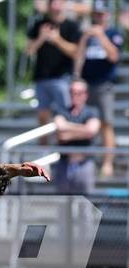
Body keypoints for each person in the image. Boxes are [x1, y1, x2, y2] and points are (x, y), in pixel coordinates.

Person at [77, 0, 124, 178]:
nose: (99, 17)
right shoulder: (87, 35)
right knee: (83, 121)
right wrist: (84, 38)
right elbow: (78, 57)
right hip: (86, 84)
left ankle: (107, 163)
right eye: (96, 14)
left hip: (104, 84)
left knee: (106, 123)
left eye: (102, 14)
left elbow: (114, 56)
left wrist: (101, 36)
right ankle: (83, 159)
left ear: (108, 15)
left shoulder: (113, 33)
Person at [27, 0, 82, 140]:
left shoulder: (71, 25)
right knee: (42, 116)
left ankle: (65, 150)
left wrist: (57, 40)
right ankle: (43, 149)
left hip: (62, 78)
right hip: (42, 77)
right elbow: (28, 51)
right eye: (53, 3)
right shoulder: (39, 24)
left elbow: (76, 52)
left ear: (63, 5)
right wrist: (41, 38)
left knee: (65, 116)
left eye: (58, 3)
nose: (55, 7)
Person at [53, 78, 101, 193]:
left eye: (79, 93)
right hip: (64, 163)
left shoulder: (92, 111)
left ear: (86, 94)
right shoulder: (62, 110)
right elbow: (60, 128)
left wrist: (68, 132)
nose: (75, 96)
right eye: (72, 92)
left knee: (86, 204)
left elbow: (91, 131)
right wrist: (83, 130)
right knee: (63, 204)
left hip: (84, 163)